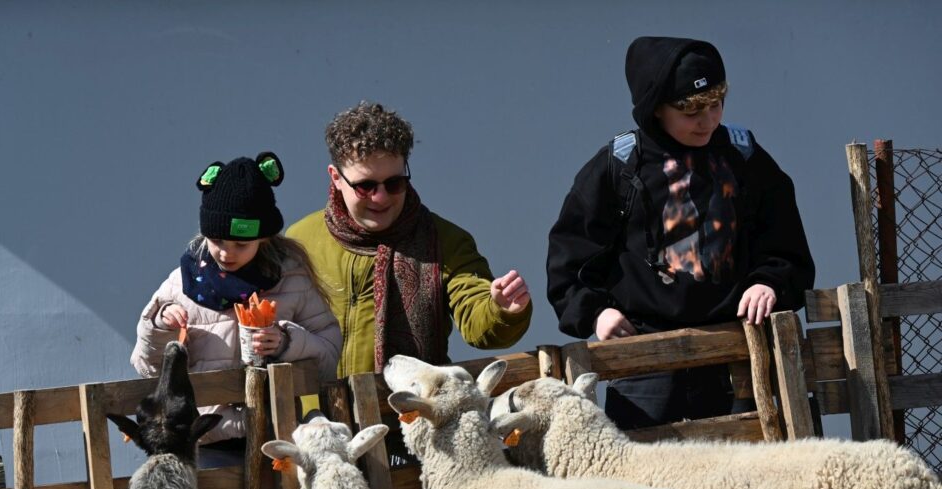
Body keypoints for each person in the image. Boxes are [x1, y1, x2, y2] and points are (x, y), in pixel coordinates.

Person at [547, 37, 815, 430]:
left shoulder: (744, 158)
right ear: (655, 108)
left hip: (737, 354)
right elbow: (569, 260)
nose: (707, 121)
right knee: (642, 486)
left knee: (741, 482)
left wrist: (769, 283)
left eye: (715, 104)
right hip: (644, 365)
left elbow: (786, 247)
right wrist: (596, 313)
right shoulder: (620, 168)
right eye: (690, 110)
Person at [131, 151, 342, 489]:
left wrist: (287, 342)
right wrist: (159, 326)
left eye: (241, 244)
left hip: (272, 436)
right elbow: (144, 366)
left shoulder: (292, 277)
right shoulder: (182, 284)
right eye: (217, 242)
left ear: (263, 237)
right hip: (206, 439)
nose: (226, 253)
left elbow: (329, 352)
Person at [286, 101, 532, 378]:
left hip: (410, 415)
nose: (381, 198)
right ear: (336, 178)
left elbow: (479, 323)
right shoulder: (298, 242)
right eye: (365, 186)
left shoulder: (446, 240)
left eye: (394, 183)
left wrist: (502, 309)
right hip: (315, 418)